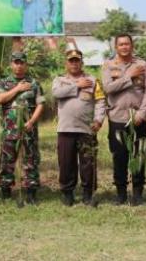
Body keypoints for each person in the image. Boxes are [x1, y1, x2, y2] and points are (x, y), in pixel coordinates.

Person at [102, 34, 146, 205]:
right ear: (116, 47)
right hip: (117, 118)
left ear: (132, 46)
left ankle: (138, 192)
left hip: (138, 119)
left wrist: (142, 114)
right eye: (121, 44)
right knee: (119, 156)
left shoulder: (143, 65)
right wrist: (129, 76)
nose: (124, 47)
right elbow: (108, 88)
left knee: (139, 154)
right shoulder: (108, 66)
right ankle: (121, 193)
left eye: (127, 44)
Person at [52, 48, 106, 207]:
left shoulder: (93, 80)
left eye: (77, 61)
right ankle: (67, 193)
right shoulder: (59, 80)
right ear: (66, 63)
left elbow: (100, 101)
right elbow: (56, 93)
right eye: (71, 61)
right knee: (66, 163)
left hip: (87, 129)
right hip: (65, 129)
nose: (74, 64)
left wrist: (99, 120)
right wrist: (77, 85)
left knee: (88, 163)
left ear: (82, 62)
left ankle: (88, 194)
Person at [0, 51, 45, 205]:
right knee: (7, 161)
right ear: (11, 64)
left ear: (26, 64)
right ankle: (6, 192)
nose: (19, 66)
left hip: (28, 129)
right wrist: (17, 89)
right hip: (10, 130)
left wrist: (32, 121)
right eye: (16, 62)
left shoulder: (34, 83)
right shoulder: (4, 83)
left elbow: (40, 104)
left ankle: (31, 193)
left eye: (21, 62)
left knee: (30, 160)